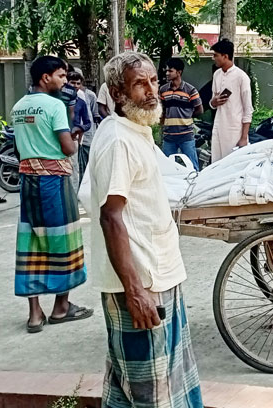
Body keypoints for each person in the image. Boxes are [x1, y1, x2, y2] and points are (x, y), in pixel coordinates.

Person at [89, 52, 203, 408]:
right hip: (141, 285)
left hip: (158, 276)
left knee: (147, 384)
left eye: (153, 81)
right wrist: (135, 291)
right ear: (117, 92)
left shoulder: (135, 132)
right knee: (151, 393)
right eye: (140, 83)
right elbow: (111, 217)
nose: (152, 90)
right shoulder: (119, 140)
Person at [11, 56, 92, 332]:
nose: (65, 81)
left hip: (27, 180)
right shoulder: (55, 105)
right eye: (61, 75)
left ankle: (35, 314)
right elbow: (68, 148)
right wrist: (73, 128)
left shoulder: (19, 106)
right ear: (45, 78)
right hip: (54, 180)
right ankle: (61, 306)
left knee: (31, 241)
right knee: (63, 239)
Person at [209, 39, 253, 162]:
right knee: (216, 164)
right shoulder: (217, 74)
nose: (214, 58)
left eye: (215, 55)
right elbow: (212, 102)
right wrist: (214, 102)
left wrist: (244, 137)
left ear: (225, 56)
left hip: (234, 130)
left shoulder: (241, 77)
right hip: (218, 127)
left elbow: (248, 110)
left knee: (233, 166)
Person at [158, 57, 203, 169]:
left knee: (192, 166)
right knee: (167, 167)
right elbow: (162, 110)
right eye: (166, 71)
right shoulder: (163, 90)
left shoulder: (190, 90)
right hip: (169, 136)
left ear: (179, 72)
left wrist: (185, 117)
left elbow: (199, 110)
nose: (167, 73)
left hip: (186, 135)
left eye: (170, 71)